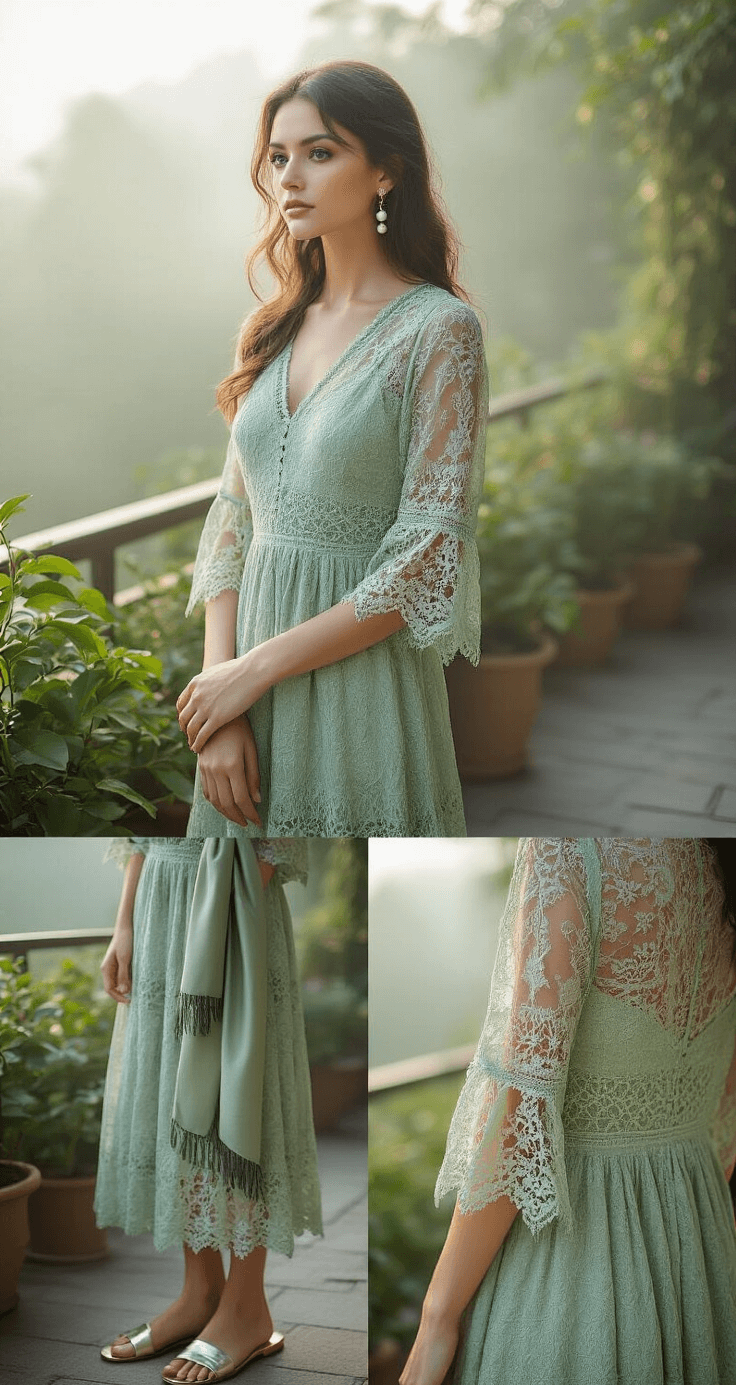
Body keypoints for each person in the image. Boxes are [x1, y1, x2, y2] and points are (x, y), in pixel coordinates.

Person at [175, 59, 489, 839]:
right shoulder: (269, 329)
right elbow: (231, 522)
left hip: (361, 689)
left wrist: (255, 670)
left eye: (321, 152)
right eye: (279, 157)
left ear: (386, 171)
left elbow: (424, 556)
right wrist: (221, 698)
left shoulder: (437, 332)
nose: (290, 177)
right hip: (242, 698)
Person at [400, 838, 736, 1385]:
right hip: (702, 1256)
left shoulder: (570, 849)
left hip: (574, 1268)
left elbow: (523, 1103)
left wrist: (438, 1314)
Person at [95, 836, 322, 1385]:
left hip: (233, 907)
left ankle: (245, 1308)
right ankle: (201, 1295)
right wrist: (123, 923)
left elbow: (278, 833)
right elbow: (142, 837)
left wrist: (222, 927)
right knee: (175, 1097)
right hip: (159, 910)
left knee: (241, 1098)